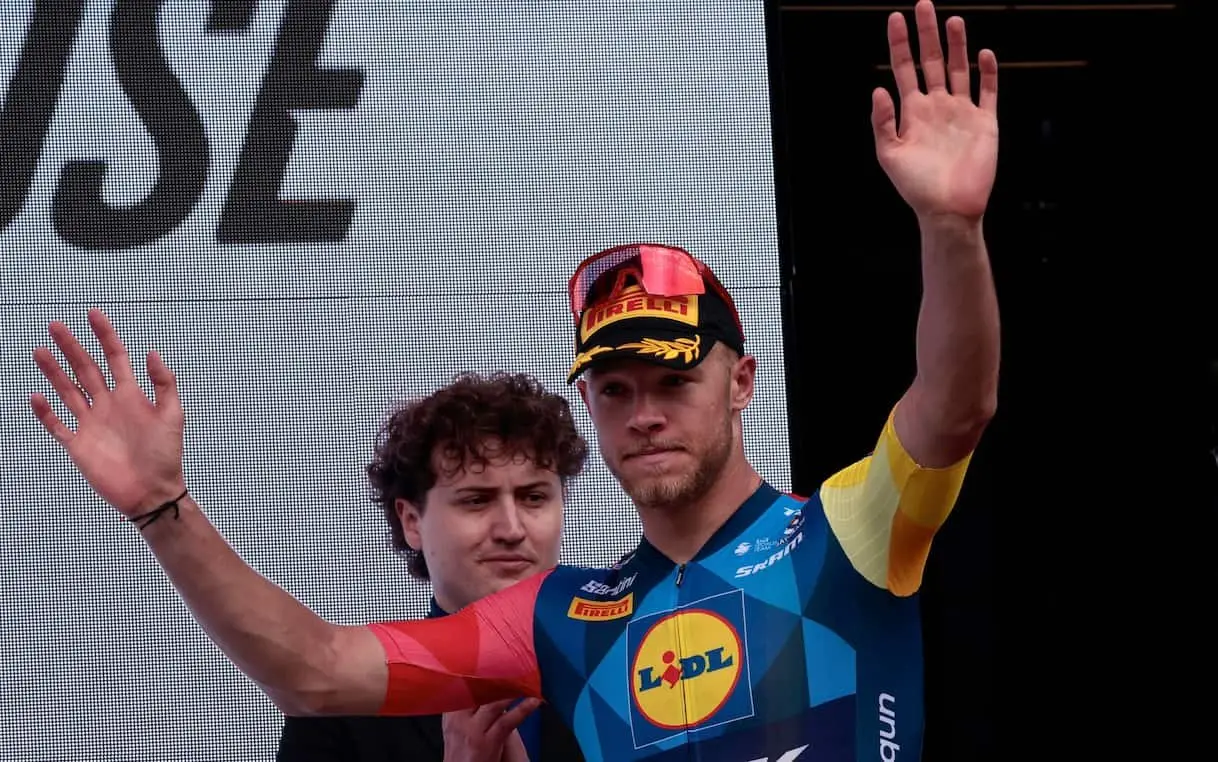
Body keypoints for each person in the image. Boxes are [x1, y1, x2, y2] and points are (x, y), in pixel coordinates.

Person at [29, 3, 998, 759]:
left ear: (741, 382)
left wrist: (951, 230)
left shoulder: (845, 531)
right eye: (614, 389)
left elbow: (955, 405)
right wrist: (163, 508)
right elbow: (317, 672)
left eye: (673, 381)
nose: (644, 413)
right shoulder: (559, 616)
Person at [274, 373, 587, 762]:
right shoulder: (342, 709)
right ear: (411, 521)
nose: (511, 529)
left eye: (533, 497)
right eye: (476, 500)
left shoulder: (626, 668)